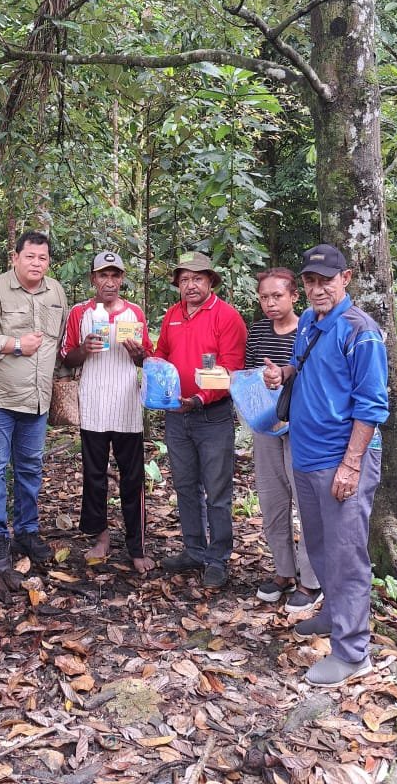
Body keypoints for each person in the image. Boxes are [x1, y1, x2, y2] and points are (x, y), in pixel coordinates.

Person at [263, 244, 388, 687]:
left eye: (326, 281)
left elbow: (372, 406)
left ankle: (353, 650)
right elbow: (306, 369)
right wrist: (284, 374)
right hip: (307, 453)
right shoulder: (311, 326)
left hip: (342, 460)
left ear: (346, 278)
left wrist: (351, 465)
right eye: (311, 282)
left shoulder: (361, 331)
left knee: (346, 552)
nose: (318, 289)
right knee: (319, 544)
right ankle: (334, 613)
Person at [0, 231, 68, 573]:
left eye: (43, 258)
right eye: (30, 256)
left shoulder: (56, 292)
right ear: (15, 257)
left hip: (37, 401)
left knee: (30, 469)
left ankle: (26, 530)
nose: (36, 263)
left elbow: (59, 339)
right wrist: (15, 344)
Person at [155, 251, 247, 589]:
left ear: (210, 281)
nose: (190, 285)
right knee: (184, 486)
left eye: (197, 279)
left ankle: (218, 558)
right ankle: (194, 549)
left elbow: (231, 369)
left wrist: (198, 399)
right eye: (184, 280)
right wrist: (149, 363)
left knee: (217, 490)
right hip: (177, 416)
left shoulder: (226, 317)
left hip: (212, 417)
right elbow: (162, 353)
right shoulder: (173, 315)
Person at [61, 251, 155, 574]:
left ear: (122, 279)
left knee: (133, 479)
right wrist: (83, 350)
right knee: (95, 476)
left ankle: (137, 544)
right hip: (94, 406)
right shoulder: (80, 313)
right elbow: (66, 357)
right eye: (104, 275)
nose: (110, 282)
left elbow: (147, 360)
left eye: (115, 276)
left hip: (128, 406)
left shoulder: (135, 313)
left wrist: (140, 355)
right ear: (93, 279)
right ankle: (100, 536)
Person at [246, 268, 320, 611]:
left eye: (277, 296)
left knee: (306, 502)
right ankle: (283, 571)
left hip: (301, 427)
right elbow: (250, 376)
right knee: (273, 501)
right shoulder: (258, 330)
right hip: (265, 426)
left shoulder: (308, 329)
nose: (270, 303)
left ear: (294, 296)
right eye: (264, 297)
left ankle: (311, 579)